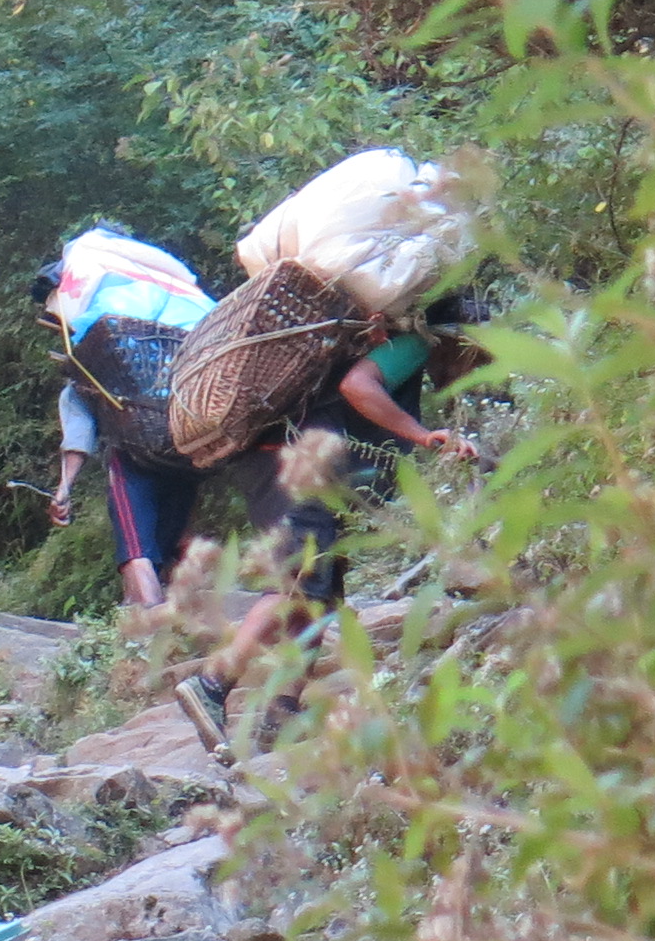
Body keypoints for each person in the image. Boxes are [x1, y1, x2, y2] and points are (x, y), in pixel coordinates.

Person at [174, 299, 488, 756]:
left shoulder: (402, 351)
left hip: (295, 461)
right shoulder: (417, 344)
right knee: (297, 580)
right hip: (295, 459)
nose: (472, 371)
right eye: (477, 359)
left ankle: (282, 710)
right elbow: (357, 387)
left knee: (322, 590)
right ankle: (211, 683)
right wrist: (423, 435)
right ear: (461, 341)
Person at [36, 229, 215, 611]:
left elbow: (79, 428)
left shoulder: (97, 362)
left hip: (134, 454)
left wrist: (65, 486)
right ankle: (169, 624)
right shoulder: (184, 330)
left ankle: (150, 627)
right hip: (192, 447)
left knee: (136, 547)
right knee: (170, 541)